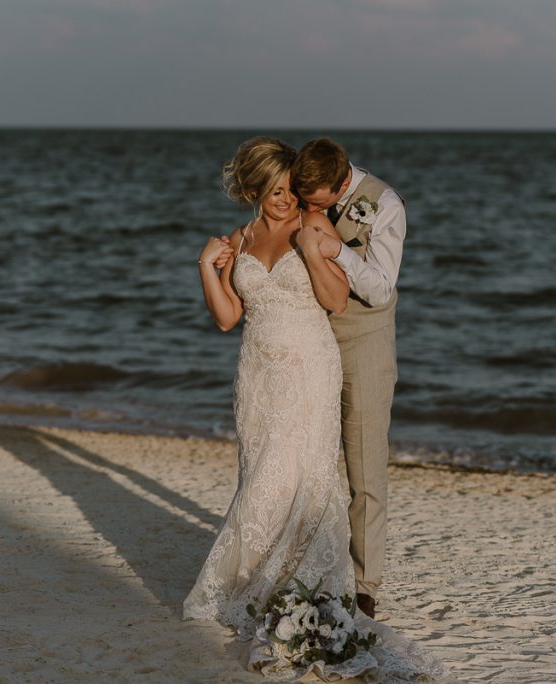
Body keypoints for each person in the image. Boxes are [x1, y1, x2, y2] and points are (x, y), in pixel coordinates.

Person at [183, 138, 444, 681]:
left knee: (308, 474)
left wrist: (314, 246)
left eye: (291, 191)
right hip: (258, 371)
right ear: (255, 192)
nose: (286, 201)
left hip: (309, 364)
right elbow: (229, 316)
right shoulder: (243, 237)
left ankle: (351, 585)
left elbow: (333, 299)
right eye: (276, 192)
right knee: (261, 476)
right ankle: (252, 574)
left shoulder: (314, 225)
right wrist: (207, 267)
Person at [291, 138, 407, 621]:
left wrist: (337, 251)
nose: (309, 209)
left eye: (317, 201)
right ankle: (302, 563)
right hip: (307, 336)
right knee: (303, 458)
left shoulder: (385, 204)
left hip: (365, 341)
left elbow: (381, 288)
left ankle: (364, 584)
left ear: (341, 183)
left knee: (364, 466)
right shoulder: (301, 190)